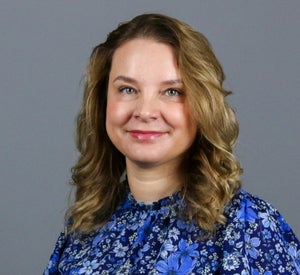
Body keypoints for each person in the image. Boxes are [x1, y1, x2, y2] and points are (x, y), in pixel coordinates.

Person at [44, 13, 300, 274]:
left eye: (172, 92)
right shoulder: (85, 227)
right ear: (102, 102)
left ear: (204, 106)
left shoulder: (248, 227)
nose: (145, 111)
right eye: (128, 89)